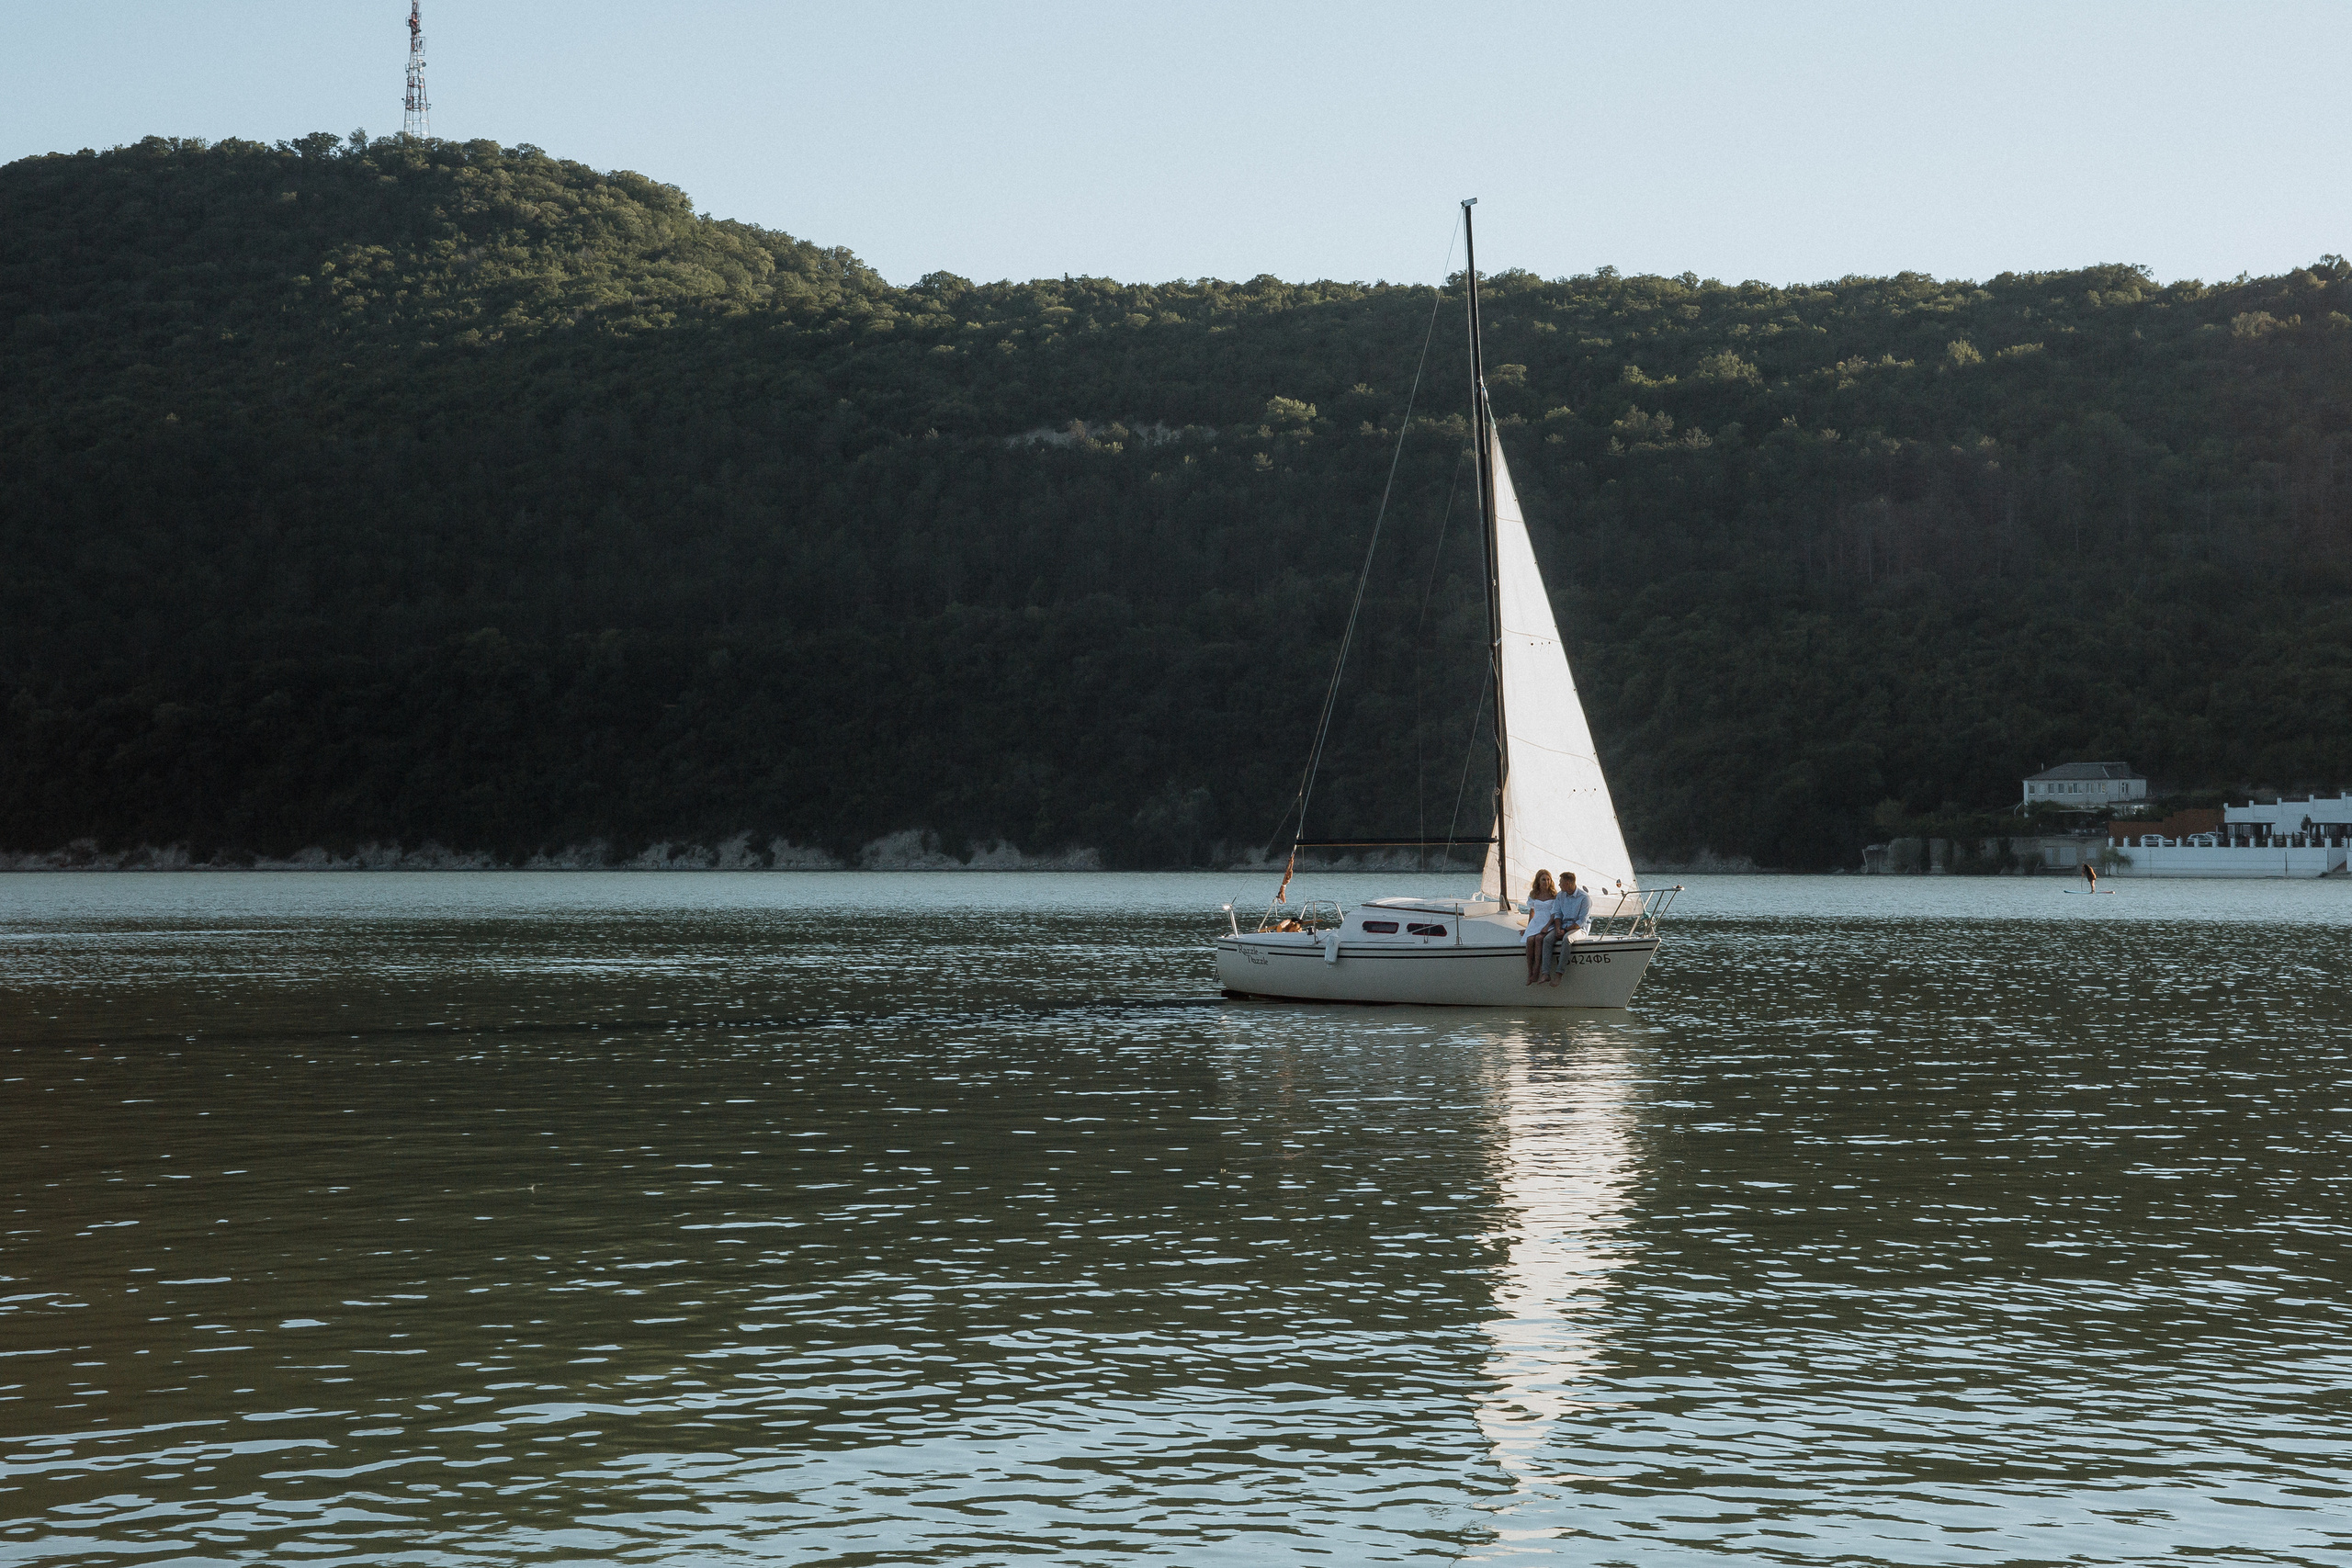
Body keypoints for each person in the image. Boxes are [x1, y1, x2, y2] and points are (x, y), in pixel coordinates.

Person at [1544, 873, 1592, 985]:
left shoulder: (1584, 898)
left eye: (1560, 882)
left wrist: (1565, 931)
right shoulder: (1560, 896)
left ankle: (1559, 973)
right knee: (1547, 939)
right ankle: (1545, 973)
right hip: (1562, 926)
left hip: (1579, 928)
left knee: (1567, 939)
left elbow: (1581, 921)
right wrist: (1557, 929)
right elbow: (1557, 913)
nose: (1559, 885)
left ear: (1568, 883)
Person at [1521, 870, 1558, 985]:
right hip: (1536, 922)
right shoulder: (1534, 894)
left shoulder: (1554, 895)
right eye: (1543, 879)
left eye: (1548, 879)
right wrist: (1528, 928)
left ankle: (1537, 969)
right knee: (1530, 939)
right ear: (1538, 881)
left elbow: (1555, 912)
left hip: (1549, 922)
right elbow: (1532, 912)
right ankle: (1530, 971)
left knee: (1538, 939)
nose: (1546, 882)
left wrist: (1547, 926)